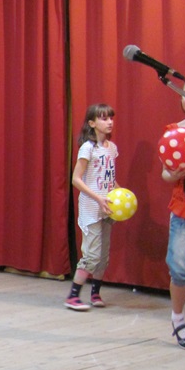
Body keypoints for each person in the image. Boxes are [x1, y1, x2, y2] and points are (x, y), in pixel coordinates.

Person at [65, 103, 119, 311]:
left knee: (103, 256)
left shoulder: (111, 148)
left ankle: (95, 293)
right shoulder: (88, 148)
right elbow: (76, 179)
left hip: (107, 207)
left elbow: (108, 178)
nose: (109, 122)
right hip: (91, 208)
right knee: (92, 255)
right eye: (104, 119)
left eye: (111, 118)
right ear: (92, 123)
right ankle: (73, 296)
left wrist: (120, 193)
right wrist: (98, 198)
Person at [160, 71, 185, 350]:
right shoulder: (175, 133)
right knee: (181, 271)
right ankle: (178, 319)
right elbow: (166, 174)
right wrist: (176, 173)